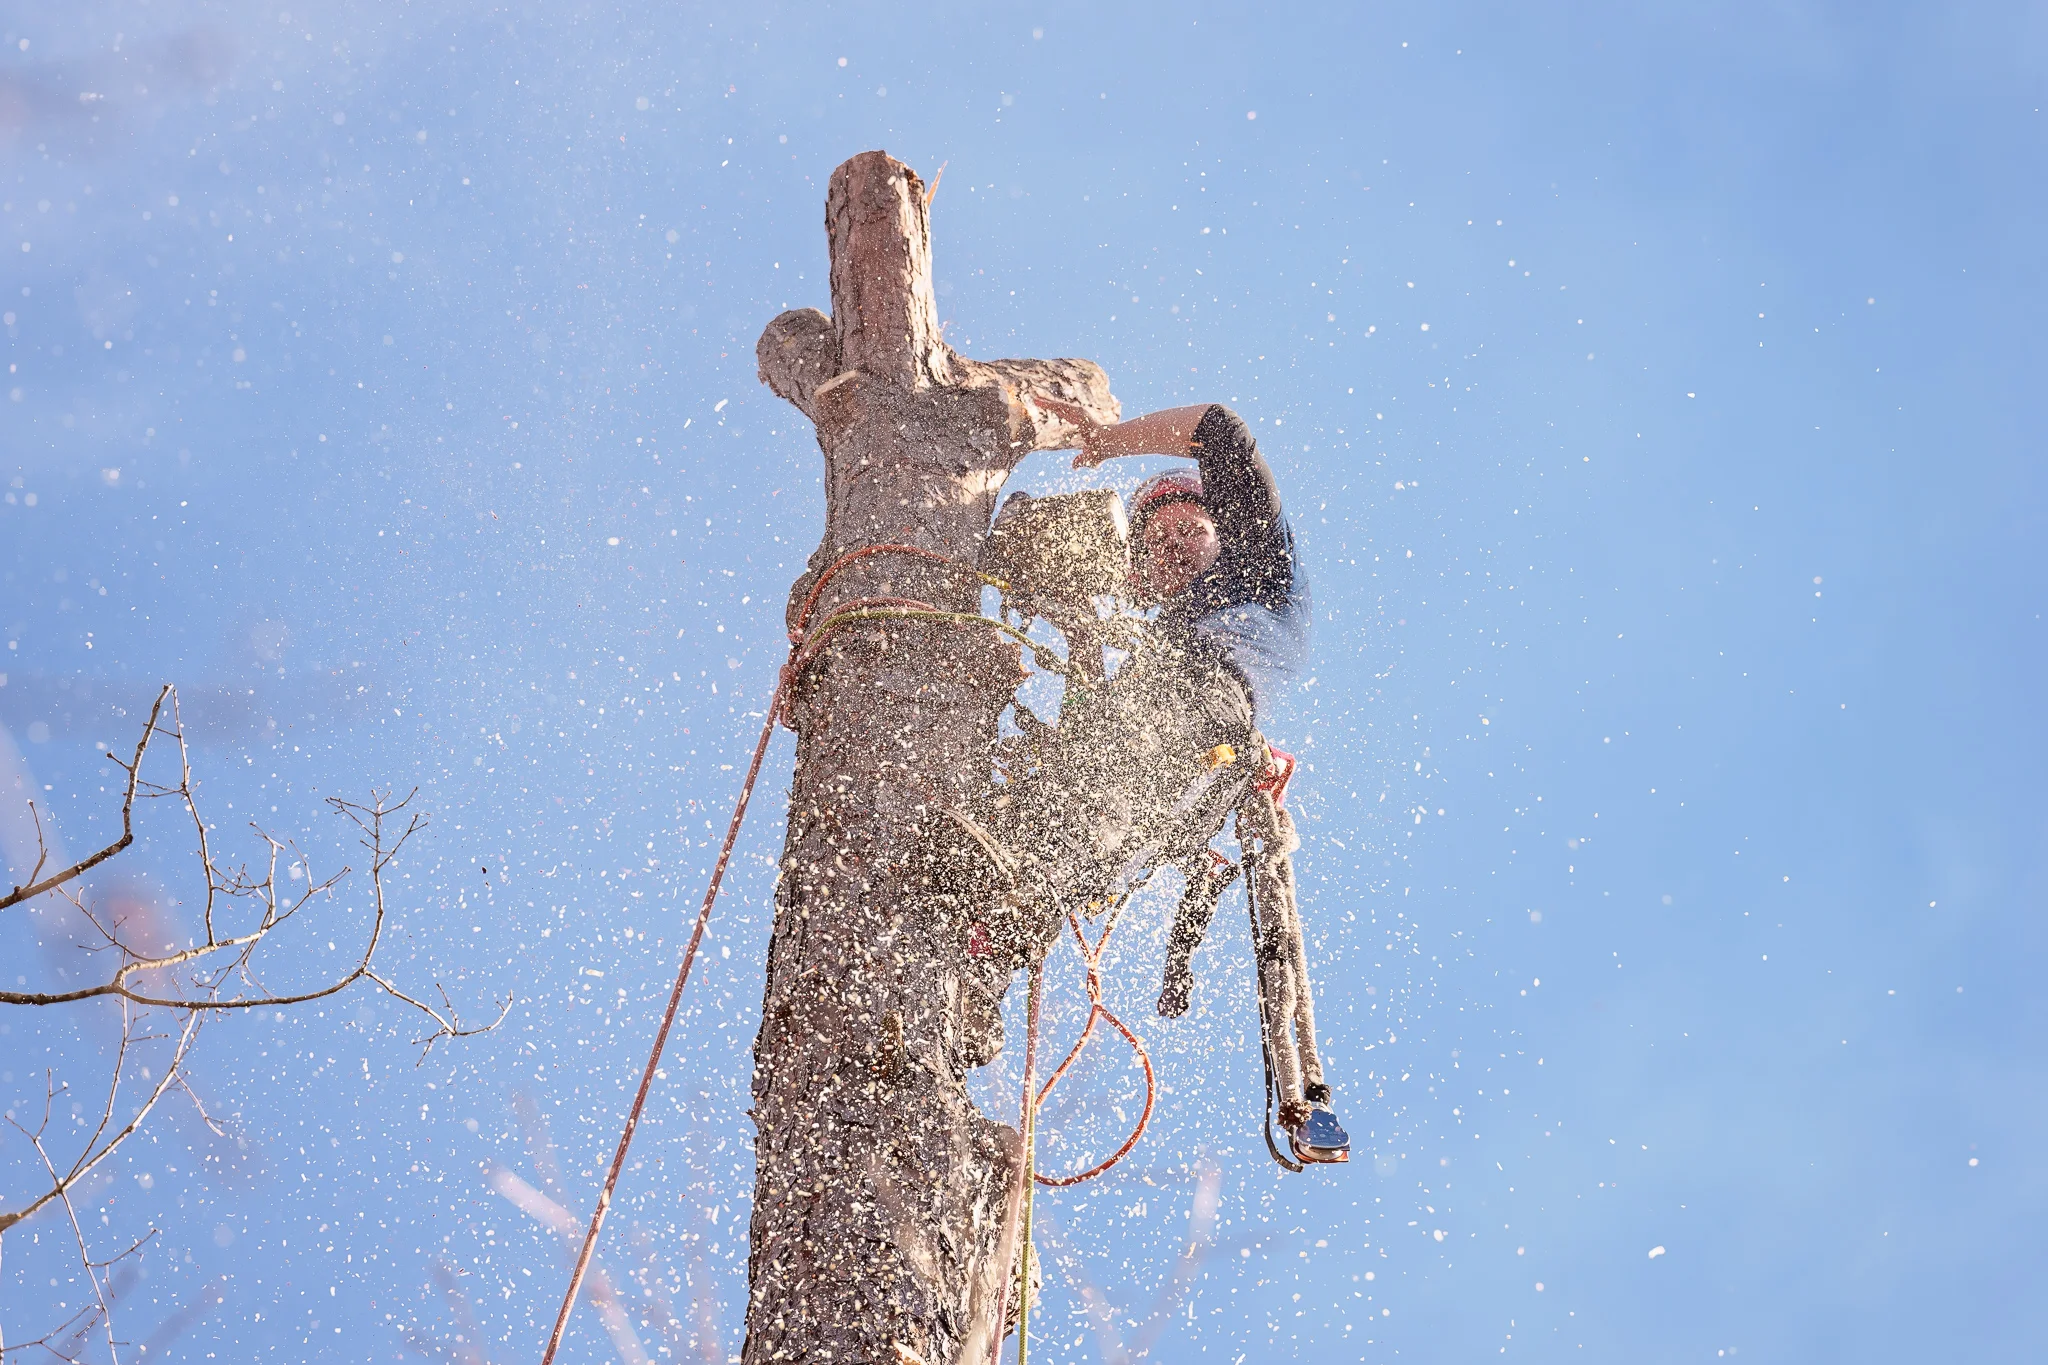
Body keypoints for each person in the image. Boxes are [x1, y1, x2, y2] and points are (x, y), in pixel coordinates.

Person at [953, 400, 1348, 1167]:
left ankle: (994, 931)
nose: (1171, 546)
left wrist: (1106, 442)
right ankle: (977, 945)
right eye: (1156, 539)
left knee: (1095, 801)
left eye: (1188, 530)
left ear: (1224, 532)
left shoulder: (1258, 567)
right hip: (1163, 750)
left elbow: (1221, 430)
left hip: (1196, 717)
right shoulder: (1156, 635)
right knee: (1052, 814)